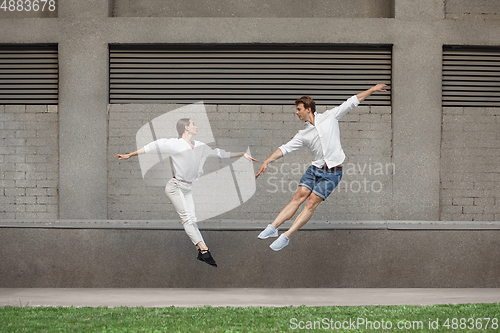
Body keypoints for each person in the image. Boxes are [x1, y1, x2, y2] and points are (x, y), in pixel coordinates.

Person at [255, 84, 387, 251]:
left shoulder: (330, 117)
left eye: (299, 109)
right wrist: (267, 161)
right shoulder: (303, 134)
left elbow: (353, 101)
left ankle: (286, 236)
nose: (296, 112)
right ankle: (273, 227)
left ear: (308, 109)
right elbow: (284, 148)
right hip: (315, 169)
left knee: (310, 203)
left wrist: (373, 89)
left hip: (333, 173)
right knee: (298, 197)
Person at [115, 118, 257, 267]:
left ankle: (200, 251)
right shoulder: (175, 144)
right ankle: (204, 250)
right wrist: (131, 154)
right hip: (175, 186)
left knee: (192, 220)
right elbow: (153, 146)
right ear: (186, 128)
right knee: (187, 219)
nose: (196, 126)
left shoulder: (201, 146)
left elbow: (219, 153)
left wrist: (241, 154)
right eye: (193, 124)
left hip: (187, 188)